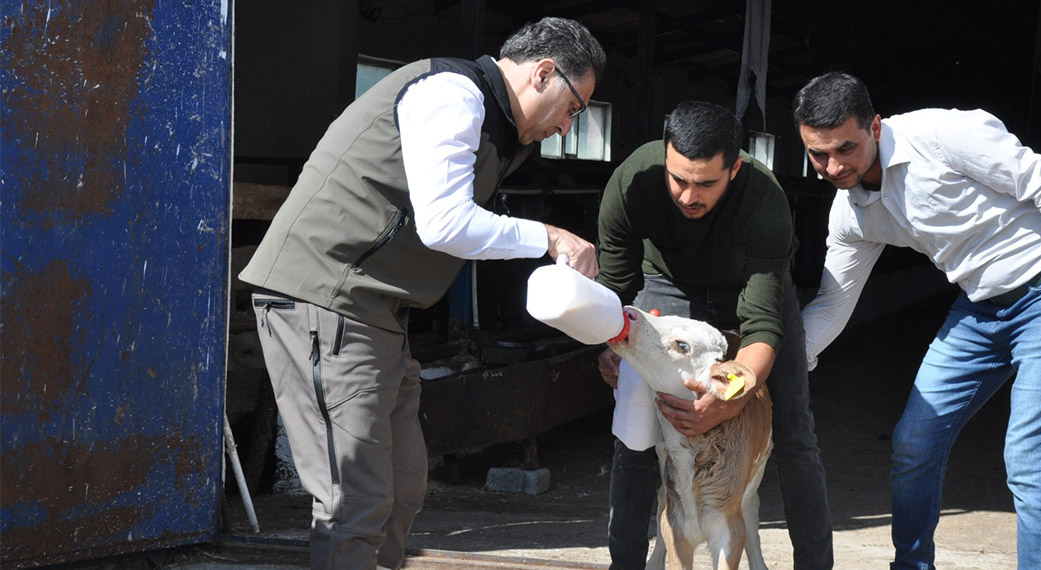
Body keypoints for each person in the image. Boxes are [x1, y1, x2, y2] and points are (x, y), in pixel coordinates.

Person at [239, 17, 606, 570]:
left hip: (378, 313)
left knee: (403, 489)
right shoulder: (454, 94)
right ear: (544, 73)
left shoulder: (494, 126)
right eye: (574, 108)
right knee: (354, 503)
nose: (566, 128)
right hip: (327, 298)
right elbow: (443, 223)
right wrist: (548, 236)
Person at [793, 72, 1041, 569]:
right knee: (914, 442)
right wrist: (771, 369)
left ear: (876, 127)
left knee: (1032, 462)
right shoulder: (851, 214)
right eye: (817, 154)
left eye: (845, 148)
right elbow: (831, 304)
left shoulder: (942, 136)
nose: (833, 166)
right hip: (980, 308)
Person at [595, 100, 834, 569]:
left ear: (735, 168)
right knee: (635, 430)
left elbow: (763, 324)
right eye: (678, 179)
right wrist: (610, 347)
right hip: (667, 281)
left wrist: (737, 393)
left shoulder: (764, 200)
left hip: (752, 286)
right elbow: (613, 290)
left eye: (706, 183)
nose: (688, 196)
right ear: (665, 156)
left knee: (793, 430)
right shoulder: (632, 182)